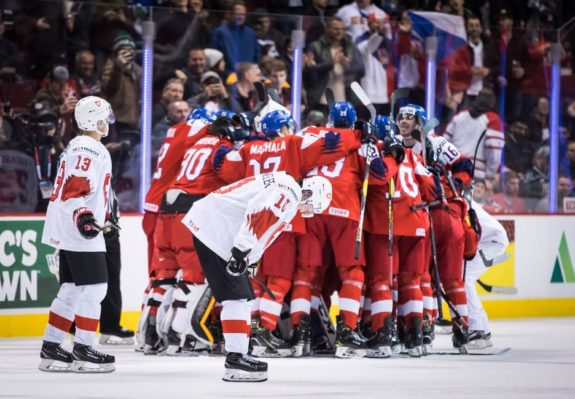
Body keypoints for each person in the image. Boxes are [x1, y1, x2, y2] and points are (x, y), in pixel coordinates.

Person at [181, 172, 331, 381]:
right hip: (215, 230)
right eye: (311, 206)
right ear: (310, 193)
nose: (306, 211)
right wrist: (241, 251)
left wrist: (250, 259)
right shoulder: (289, 192)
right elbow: (258, 215)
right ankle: (237, 360)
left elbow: (263, 225)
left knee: (240, 296)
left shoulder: (287, 187)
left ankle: (238, 355)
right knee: (237, 298)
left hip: (214, 226)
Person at [39, 95, 115, 373]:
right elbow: (75, 190)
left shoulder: (77, 145)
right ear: (93, 119)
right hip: (79, 228)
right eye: (104, 117)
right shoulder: (89, 148)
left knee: (71, 289)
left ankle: (52, 347)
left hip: (67, 226)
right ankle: (84, 349)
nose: (107, 122)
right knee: (94, 288)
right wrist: (84, 217)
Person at [464, 201, 509, 349]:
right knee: (464, 279)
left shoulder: (458, 201)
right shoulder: (459, 196)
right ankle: (483, 331)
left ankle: (477, 330)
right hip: (489, 240)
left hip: (490, 241)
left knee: (464, 280)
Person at [99, 188, 135, 345]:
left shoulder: (105, 168)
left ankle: (110, 326)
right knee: (86, 283)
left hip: (111, 230)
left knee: (112, 281)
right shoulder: (86, 168)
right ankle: (75, 327)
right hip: (91, 230)